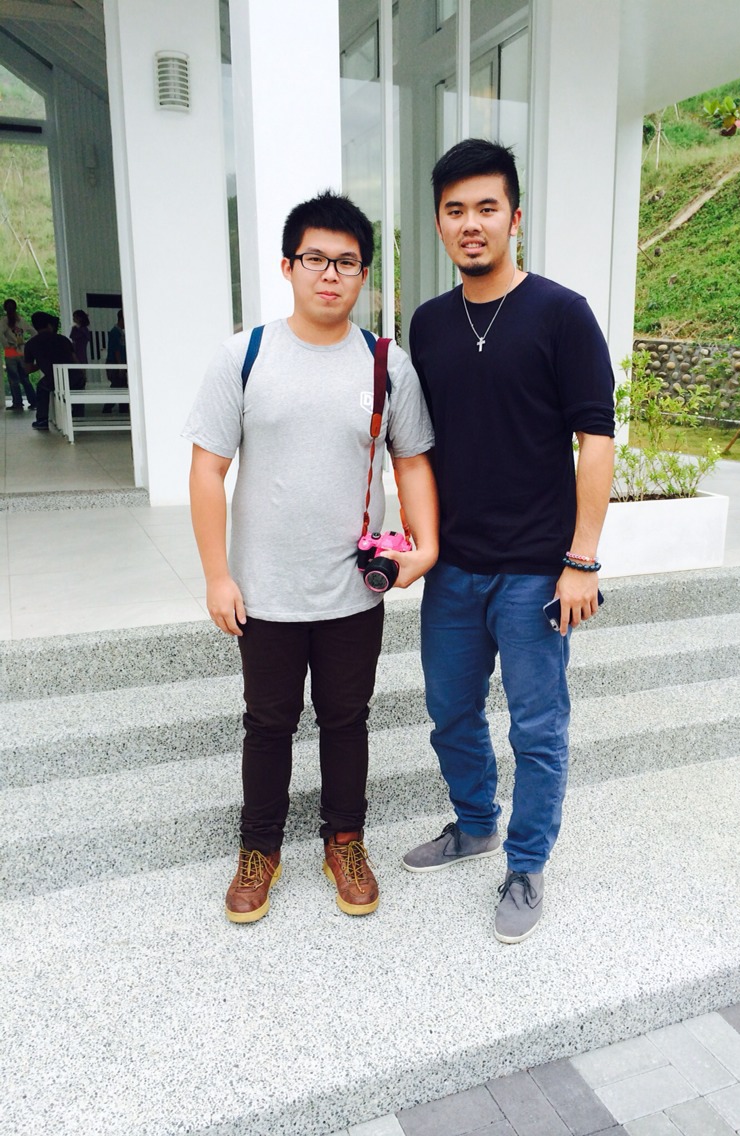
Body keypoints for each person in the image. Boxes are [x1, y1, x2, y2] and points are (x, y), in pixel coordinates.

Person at [183, 190, 438, 925]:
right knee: (267, 723)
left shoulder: (386, 364)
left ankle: (344, 842)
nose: (330, 274)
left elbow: (411, 462)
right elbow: (207, 470)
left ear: (364, 274)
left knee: (346, 718)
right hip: (263, 591)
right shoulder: (245, 355)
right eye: (315, 259)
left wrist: (424, 546)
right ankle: (258, 849)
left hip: (353, 589)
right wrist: (217, 575)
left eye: (346, 262)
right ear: (288, 266)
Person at [402, 139, 615, 944]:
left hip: (537, 571)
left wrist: (581, 560)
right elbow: (418, 448)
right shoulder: (429, 324)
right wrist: (419, 543)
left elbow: (597, 438)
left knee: (537, 728)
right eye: (455, 210)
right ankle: (475, 823)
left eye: (486, 207)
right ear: (439, 223)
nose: (471, 223)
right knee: (449, 710)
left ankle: (525, 865)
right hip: (455, 567)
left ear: (514, 217)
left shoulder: (561, 313)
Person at [24, 311, 76, 431]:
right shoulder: (63, 339)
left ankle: (42, 420)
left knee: (42, 387)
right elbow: (75, 360)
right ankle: (77, 415)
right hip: (75, 377)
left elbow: (28, 369)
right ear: (49, 325)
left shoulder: (31, 344)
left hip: (55, 379)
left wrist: (40, 364)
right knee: (75, 382)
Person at [1, 299, 37, 411]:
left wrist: (6, 344)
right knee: (25, 378)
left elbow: (0, 334)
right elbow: (34, 332)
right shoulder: (21, 320)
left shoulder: (4, 321)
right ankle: (33, 401)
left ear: (5, 308)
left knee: (13, 380)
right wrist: (26, 343)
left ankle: (17, 403)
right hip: (22, 351)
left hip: (10, 352)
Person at [103, 309, 127, 413]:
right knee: (118, 385)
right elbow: (116, 350)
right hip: (115, 363)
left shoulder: (119, 332)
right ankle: (110, 407)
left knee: (120, 385)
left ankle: (123, 407)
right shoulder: (115, 333)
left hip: (118, 363)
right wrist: (120, 366)